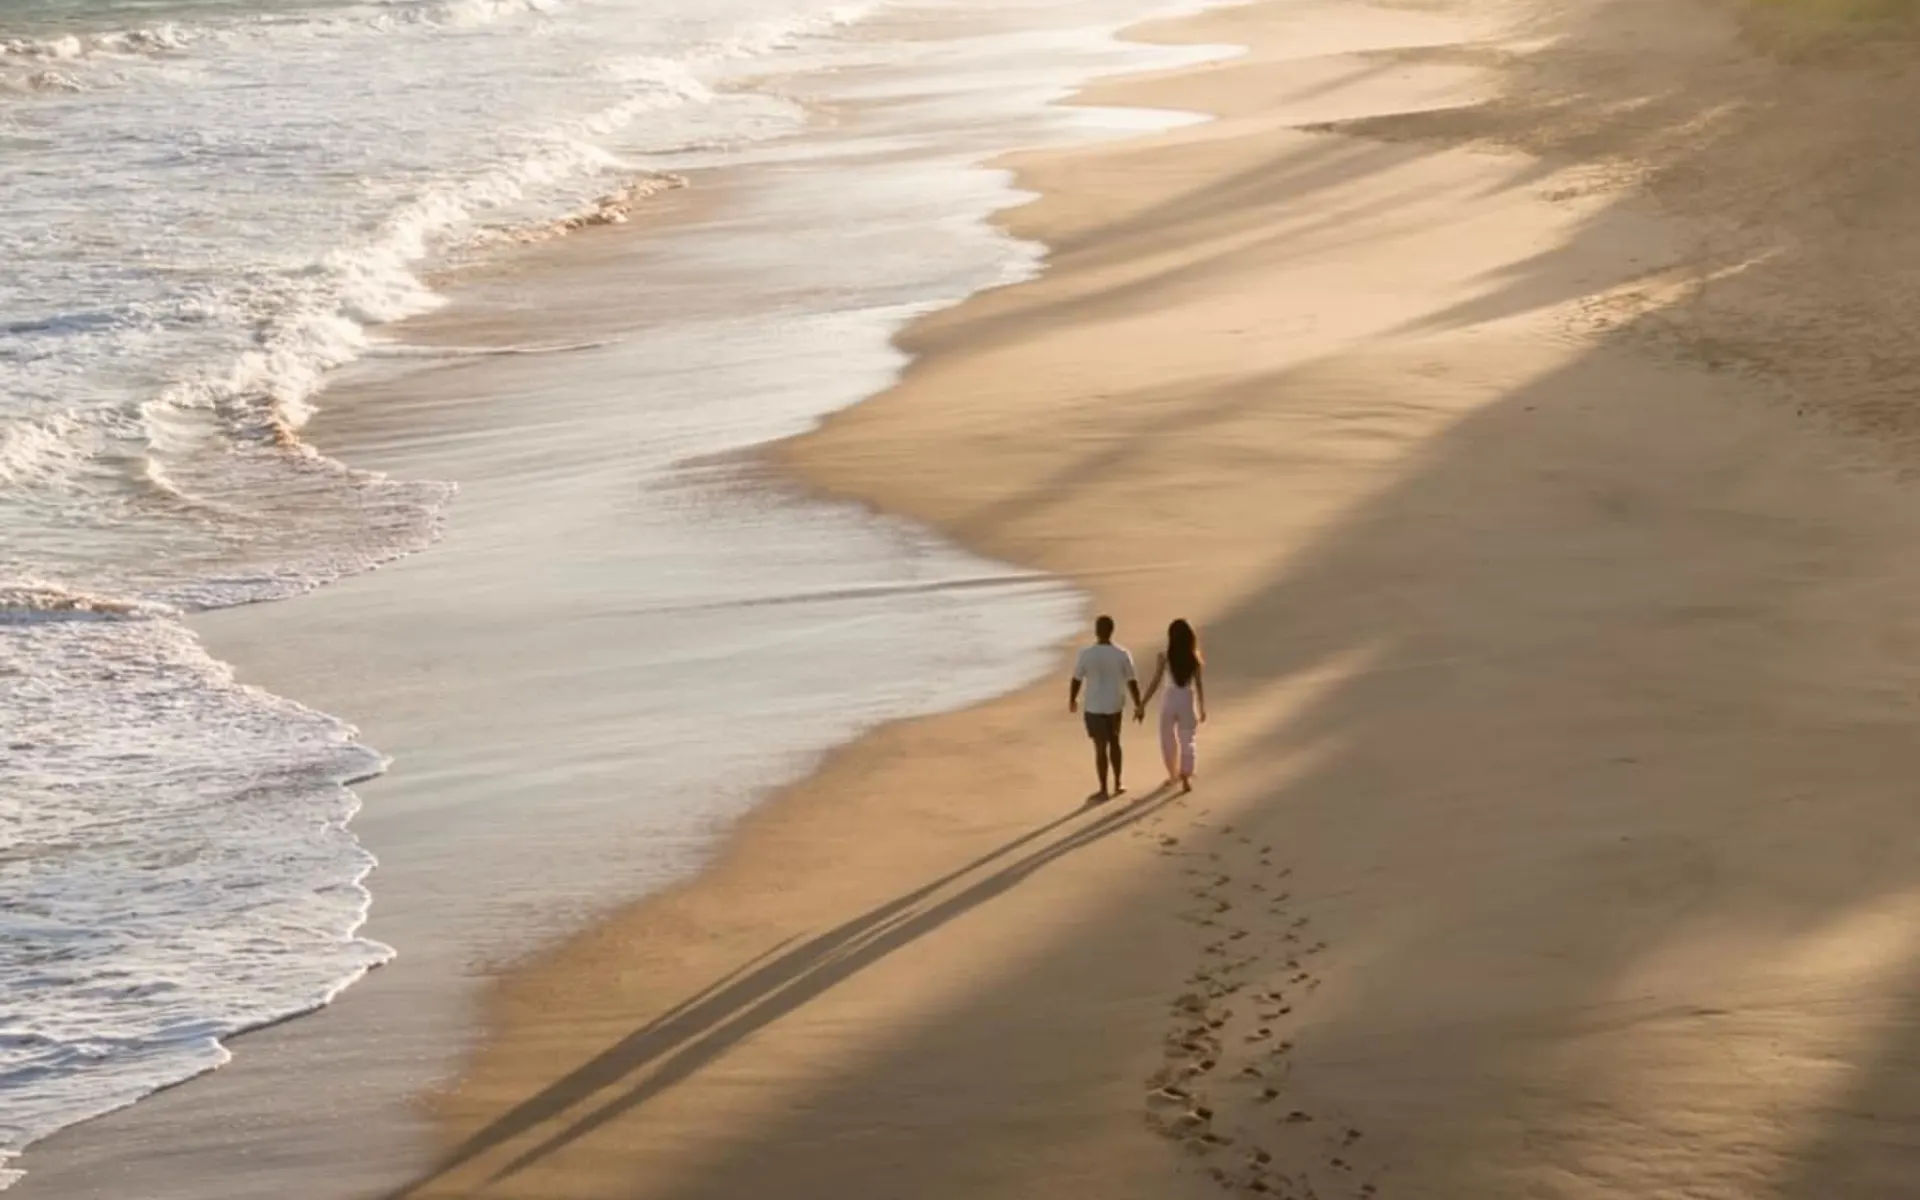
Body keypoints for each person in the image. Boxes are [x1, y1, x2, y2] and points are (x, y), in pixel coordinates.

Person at [1069, 614, 1143, 800]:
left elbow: (1076, 679)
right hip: (1114, 705)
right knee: (1115, 743)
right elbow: (1132, 681)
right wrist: (1138, 704)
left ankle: (1103, 789)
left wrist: (1072, 699)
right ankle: (1117, 784)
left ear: (1096, 631)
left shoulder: (1086, 654)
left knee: (1100, 747)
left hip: (1094, 707)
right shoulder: (1122, 654)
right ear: (1112, 631)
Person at [1138, 618, 1207, 792]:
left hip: (1169, 699)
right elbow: (1198, 684)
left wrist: (1142, 704)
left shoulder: (1165, 656)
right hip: (1187, 699)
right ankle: (1185, 777)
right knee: (1187, 739)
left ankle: (1172, 775)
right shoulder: (1194, 658)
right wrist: (1202, 707)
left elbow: (1155, 681)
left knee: (1167, 738)